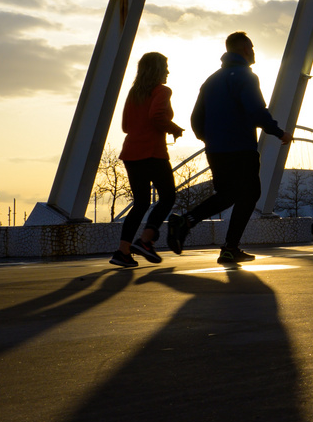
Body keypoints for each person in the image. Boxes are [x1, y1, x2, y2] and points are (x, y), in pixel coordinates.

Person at [167, 32, 292, 265]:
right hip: (241, 148)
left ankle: (187, 221)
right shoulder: (246, 76)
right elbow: (256, 111)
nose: (254, 51)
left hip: (216, 150)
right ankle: (229, 248)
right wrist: (279, 132)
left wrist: (211, 140)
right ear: (244, 49)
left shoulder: (211, 80)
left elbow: (196, 118)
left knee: (228, 194)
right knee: (250, 193)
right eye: (252, 47)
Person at [110, 52, 183, 268]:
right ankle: (145, 240)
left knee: (141, 203)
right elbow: (157, 116)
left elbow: (125, 126)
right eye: (166, 67)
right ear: (158, 69)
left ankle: (123, 252)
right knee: (168, 197)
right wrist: (174, 128)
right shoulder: (162, 90)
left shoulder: (134, 92)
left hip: (131, 153)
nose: (168, 71)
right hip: (152, 153)